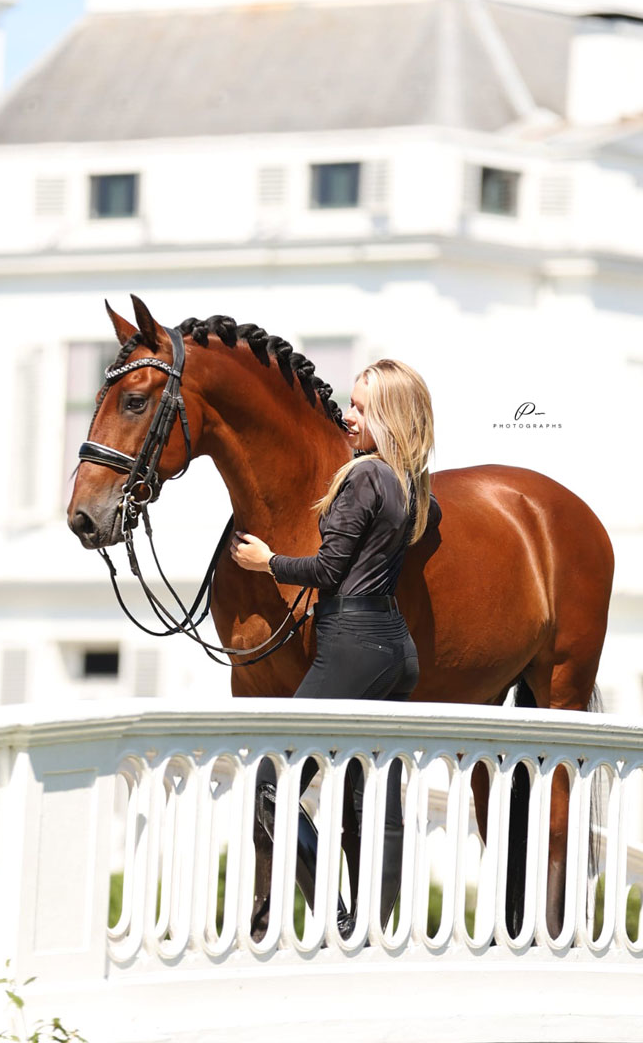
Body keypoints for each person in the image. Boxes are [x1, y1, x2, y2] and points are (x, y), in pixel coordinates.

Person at [230, 358, 439, 939]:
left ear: (389, 417)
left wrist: (267, 562)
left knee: (271, 783)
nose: (348, 417)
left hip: (353, 643)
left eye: (361, 408)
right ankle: (370, 928)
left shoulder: (365, 476)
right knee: (375, 796)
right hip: (395, 648)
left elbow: (327, 570)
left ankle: (338, 915)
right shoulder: (408, 481)